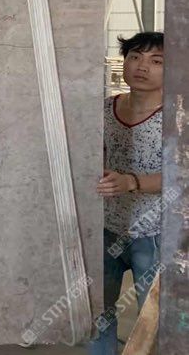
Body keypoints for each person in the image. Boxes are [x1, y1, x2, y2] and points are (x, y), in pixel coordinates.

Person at [89, 31, 164, 355]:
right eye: (134, 57)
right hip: (105, 229)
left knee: (153, 322)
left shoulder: (178, 118)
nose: (141, 66)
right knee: (98, 316)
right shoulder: (105, 109)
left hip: (154, 233)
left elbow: (183, 176)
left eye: (156, 61)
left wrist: (131, 182)